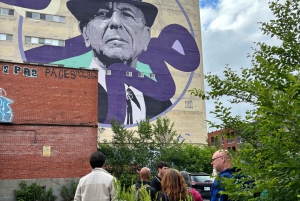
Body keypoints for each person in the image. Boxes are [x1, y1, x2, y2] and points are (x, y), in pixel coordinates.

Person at [67, 0, 172, 125]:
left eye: (127, 15)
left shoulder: (163, 102)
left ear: (146, 37)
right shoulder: (68, 91)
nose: (115, 22)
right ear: (85, 33)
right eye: (103, 14)